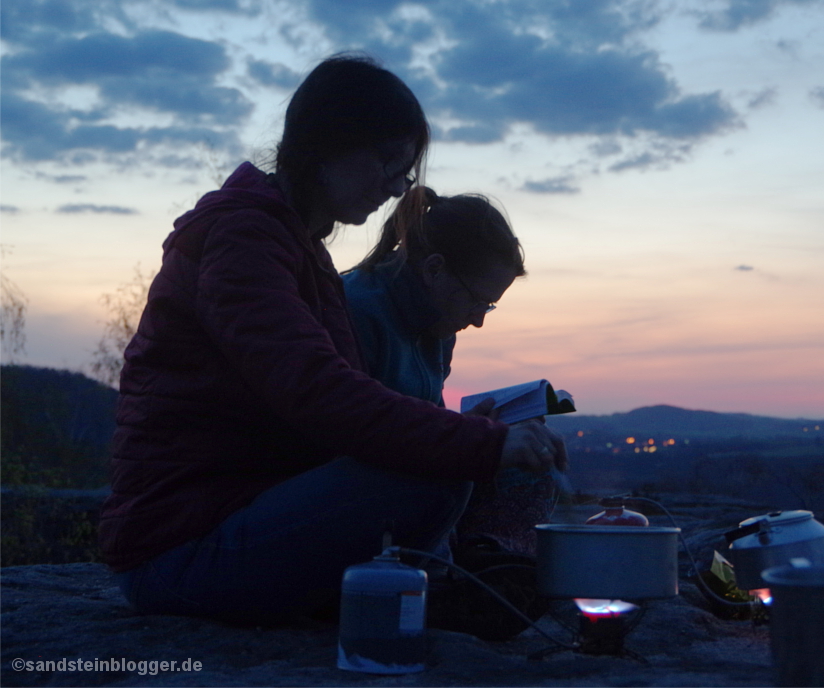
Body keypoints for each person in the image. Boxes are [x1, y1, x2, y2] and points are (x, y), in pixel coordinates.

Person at [98, 52, 566, 625]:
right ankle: (410, 595)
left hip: (238, 516)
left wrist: (478, 433)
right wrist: (482, 444)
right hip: (180, 550)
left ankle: (415, 586)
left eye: (406, 171)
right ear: (326, 145)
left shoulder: (295, 244)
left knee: (470, 468)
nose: (398, 189)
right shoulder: (241, 239)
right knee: (435, 478)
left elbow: (344, 406)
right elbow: (320, 395)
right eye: (388, 163)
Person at [342, 187, 556, 560]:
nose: (477, 321)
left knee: (529, 469)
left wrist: (481, 429)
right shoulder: (355, 312)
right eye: (476, 300)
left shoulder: (438, 329)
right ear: (434, 269)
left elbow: (423, 422)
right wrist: (467, 442)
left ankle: (483, 561)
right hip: (352, 484)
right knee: (445, 483)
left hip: (405, 469)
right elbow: (354, 435)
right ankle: (440, 574)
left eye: (487, 307)